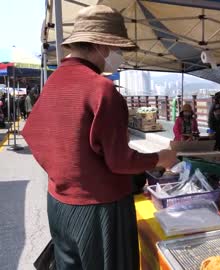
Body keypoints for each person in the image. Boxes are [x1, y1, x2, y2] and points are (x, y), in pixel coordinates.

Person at [21, 5, 178, 270]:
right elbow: (120, 161)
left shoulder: (53, 82)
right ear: (101, 45)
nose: (118, 56)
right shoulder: (102, 89)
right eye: (116, 49)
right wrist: (161, 158)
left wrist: (66, 172)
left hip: (58, 204)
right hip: (101, 209)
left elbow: (33, 135)